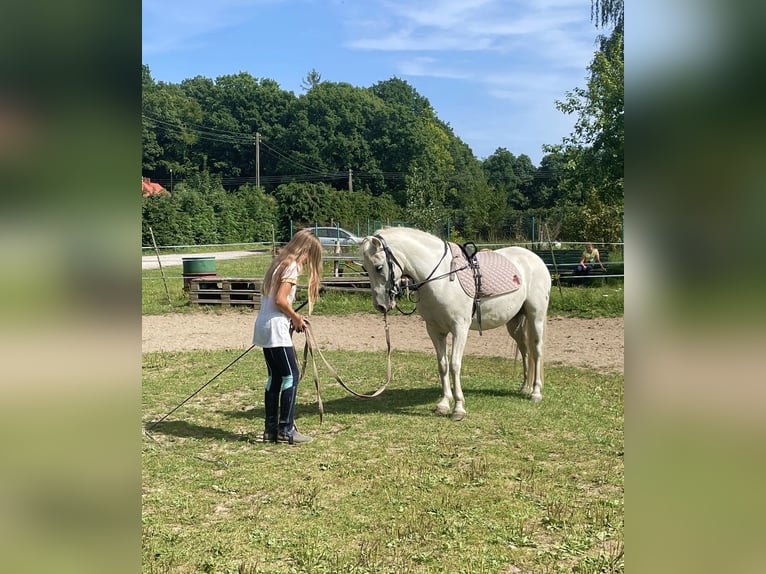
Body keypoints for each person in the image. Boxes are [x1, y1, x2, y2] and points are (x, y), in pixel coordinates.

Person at [253, 229, 323, 444]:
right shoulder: (292, 266)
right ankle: (286, 430)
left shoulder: (278, 263)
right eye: (310, 257)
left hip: (264, 326)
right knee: (290, 376)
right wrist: (295, 317)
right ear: (306, 251)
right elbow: (281, 301)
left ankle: (271, 430)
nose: (308, 261)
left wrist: (293, 317)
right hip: (276, 329)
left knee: (275, 377)